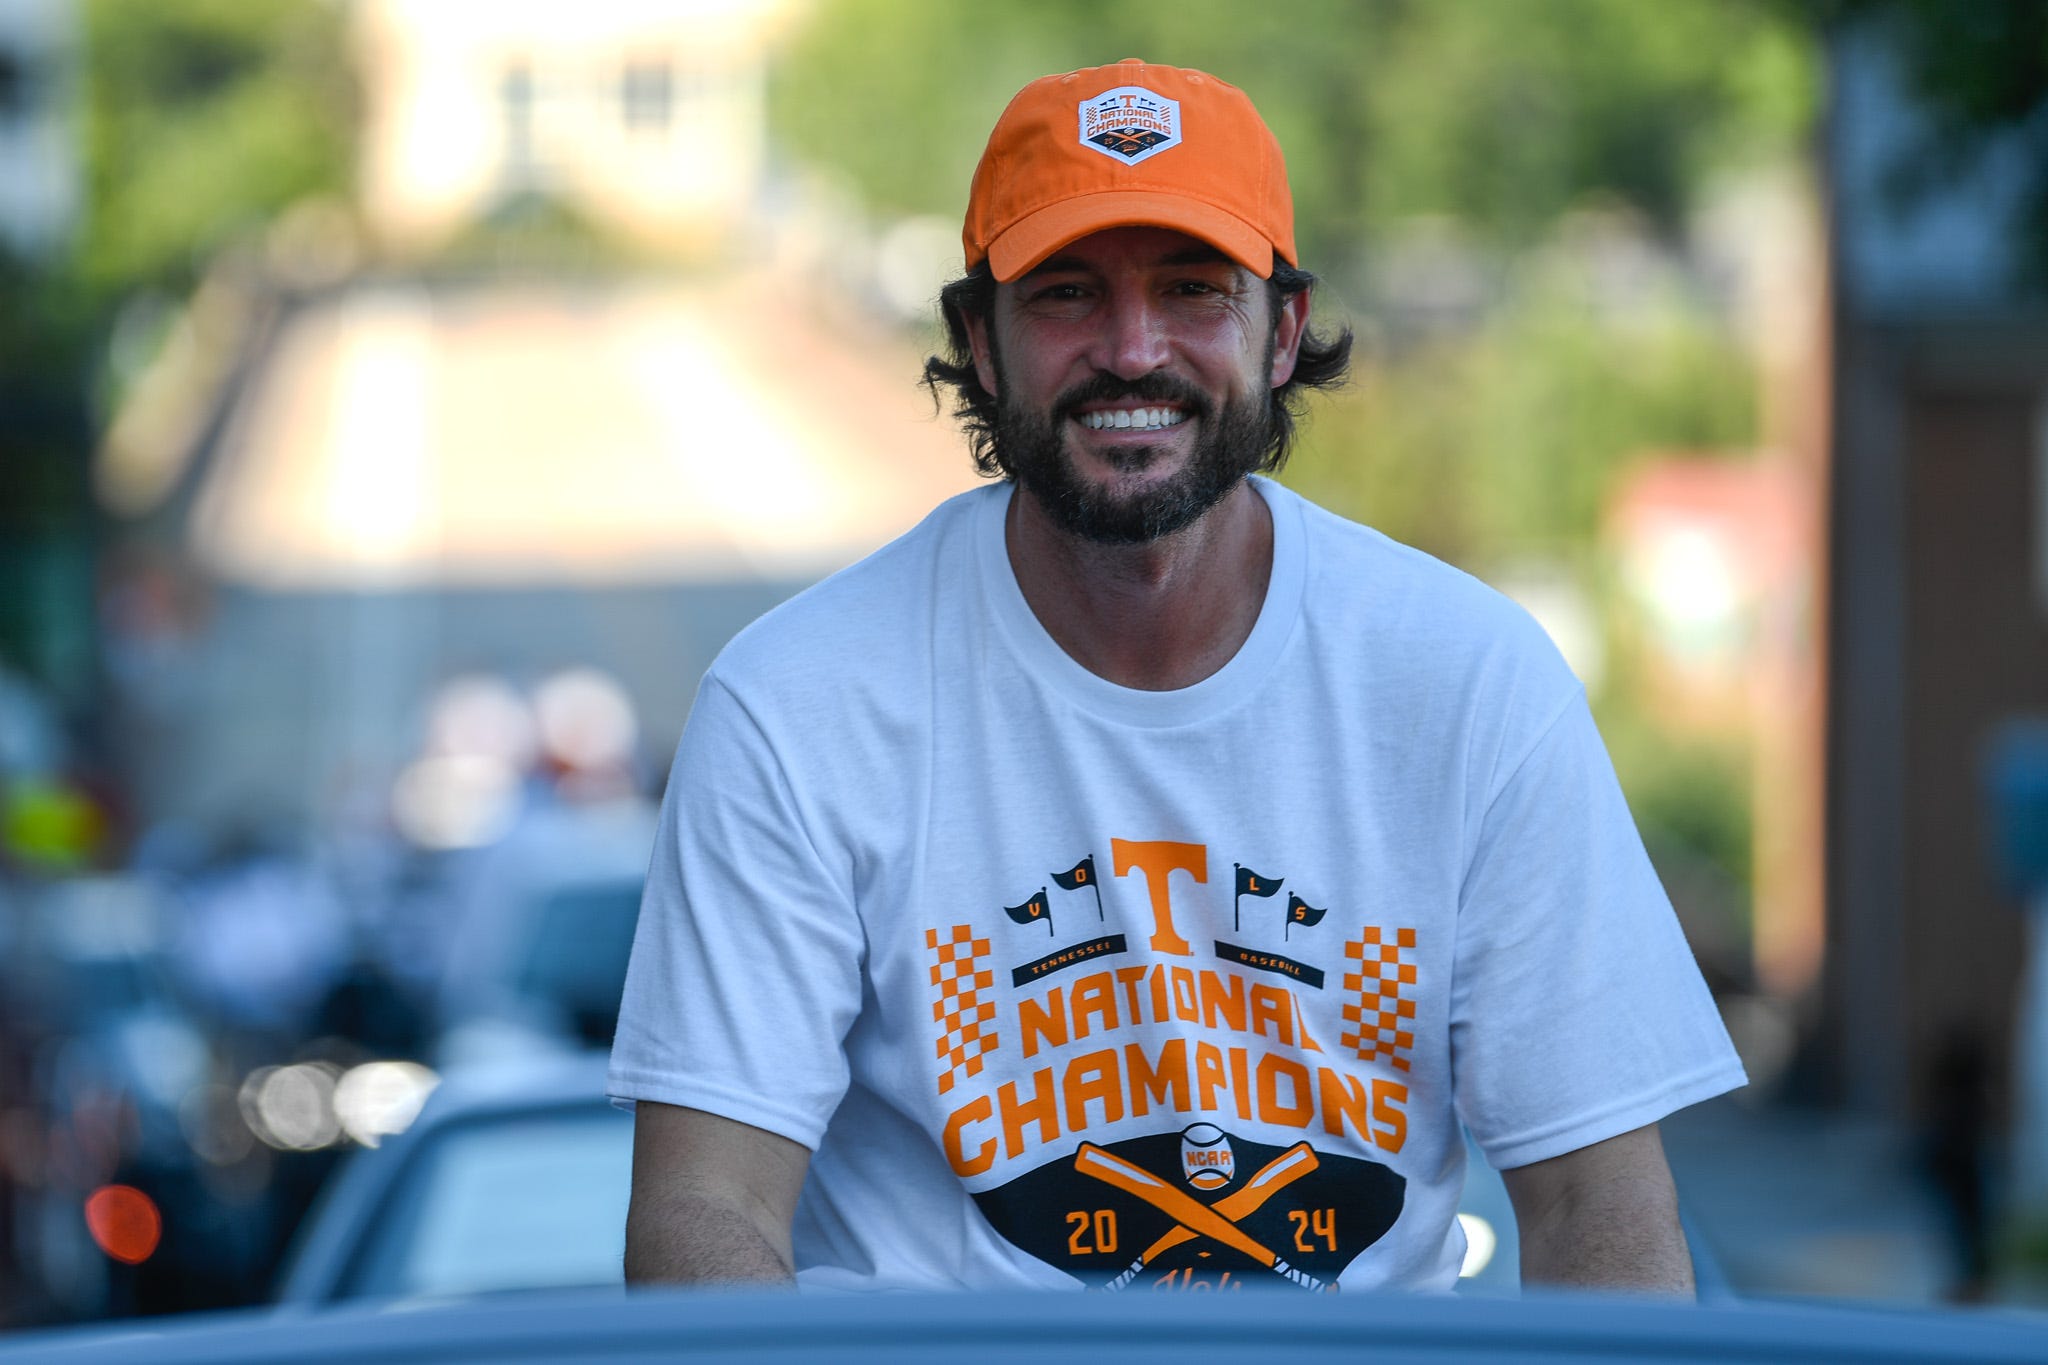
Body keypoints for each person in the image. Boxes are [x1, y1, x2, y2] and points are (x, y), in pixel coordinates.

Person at [610, 58, 1744, 1296]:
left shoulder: (1469, 687)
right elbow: (703, 1215)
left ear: (1281, 335)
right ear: (977, 343)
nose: (1132, 347)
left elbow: (1603, 1213)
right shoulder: (795, 708)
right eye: (1065, 294)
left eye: (1194, 290)